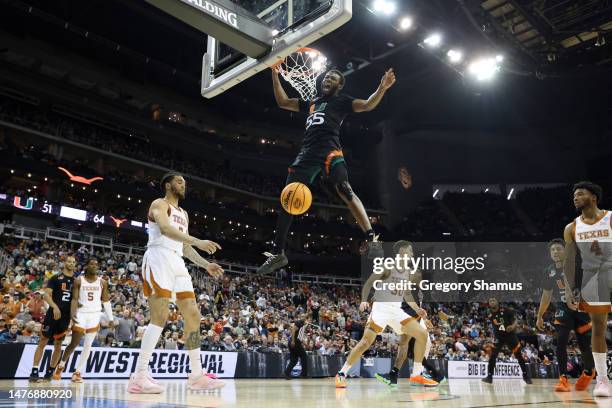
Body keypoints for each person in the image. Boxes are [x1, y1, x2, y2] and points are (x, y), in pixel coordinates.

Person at [256, 67, 396, 275]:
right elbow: (283, 102)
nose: (327, 79)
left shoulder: (341, 101)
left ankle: (371, 238)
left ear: (339, 85)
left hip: (330, 150)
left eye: (333, 78)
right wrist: (275, 76)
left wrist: (382, 88)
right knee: (287, 200)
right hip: (307, 154)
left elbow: (367, 105)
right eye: (327, 77)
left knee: (344, 189)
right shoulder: (311, 103)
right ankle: (278, 253)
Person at [128, 172, 225, 394]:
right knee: (160, 317)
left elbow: (184, 247)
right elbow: (164, 229)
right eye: (179, 181)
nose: (183, 185)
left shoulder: (184, 213)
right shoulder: (159, 204)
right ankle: (139, 375)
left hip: (177, 262)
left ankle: (196, 375)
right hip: (158, 257)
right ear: (168, 185)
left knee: (193, 315)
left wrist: (204, 264)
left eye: (185, 182)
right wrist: (197, 240)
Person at [335, 241, 437, 388]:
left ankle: (416, 375)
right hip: (381, 308)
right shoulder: (387, 266)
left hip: (396, 311)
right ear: (402, 251)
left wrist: (417, 309)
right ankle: (341, 373)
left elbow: (407, 294)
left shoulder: (408, 272)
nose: (412, 254)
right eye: (410, 251)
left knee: (422, 334)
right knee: (365, 343)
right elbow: (369, 283)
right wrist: (364, 300)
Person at [563, 181, 611, 397]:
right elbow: (569, 261)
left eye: (580, 194)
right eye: (574, 195)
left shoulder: (610, 218)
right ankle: (602, 380)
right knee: (598, 329)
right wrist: (569, 289)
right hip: (593, 279)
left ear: (593, 197)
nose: (575, 197)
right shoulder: (571, 228)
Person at [375, 242, 445, 387]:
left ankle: (425, 374)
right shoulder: (407, 286)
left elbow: (421, 306)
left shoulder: (420, 289)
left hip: (414, 320)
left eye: (417, 274)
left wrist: (427, 317)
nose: (415, 275)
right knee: (407, 348)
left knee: (408, 348)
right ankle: (429, 374)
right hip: (410, 319)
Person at [536, 238, 595, 392]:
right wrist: (539, 315)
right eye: (553, 250)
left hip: (581, 307)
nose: (556, 252)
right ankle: (563, 378)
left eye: (559, 249)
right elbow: (546, 295)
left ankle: (589, 372)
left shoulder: (577, 265)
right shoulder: (548, 271)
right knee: (560, 341)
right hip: (563, 307)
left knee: (584, 345)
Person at [52, 257, 116, 382]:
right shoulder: (78, 280)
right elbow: (75, 299)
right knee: (74, 343)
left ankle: (77, 372)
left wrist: (111, 318)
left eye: (96, 264)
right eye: (91, 264)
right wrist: (73, 314)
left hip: (95, 315)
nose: (94, 266)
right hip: (81, 314)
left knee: (88, 346)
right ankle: (61, 366)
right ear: (86, 266)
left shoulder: (102, 282)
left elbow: (106, 300)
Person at [29, 255, 76, 382]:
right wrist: (55, 307)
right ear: (64, 262)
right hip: (52, 314)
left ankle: (49, 372)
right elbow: (46, 295)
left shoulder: (77, 282)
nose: (71, 263)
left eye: (73, 262)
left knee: (58, 344)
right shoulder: (55, 278)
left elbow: (76, 301)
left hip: (65, 317)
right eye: (69, 261)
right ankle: (34, 371)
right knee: (43, 340)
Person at [482, 298, 532, 385]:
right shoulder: (488, 313)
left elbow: (516, 320)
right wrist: (488, 332)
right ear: (489, 304)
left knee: (518, 355)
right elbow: (486, 324)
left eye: (494, 300)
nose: (492, 302)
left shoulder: (506, 310)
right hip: (498, 337)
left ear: (498, 302)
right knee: (493, 355)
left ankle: (526, 376)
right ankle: (489, 377)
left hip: (510, 335)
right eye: (490, 301)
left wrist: (513, 326)